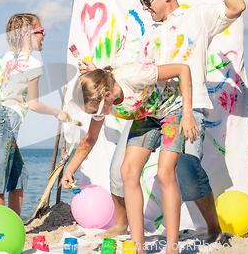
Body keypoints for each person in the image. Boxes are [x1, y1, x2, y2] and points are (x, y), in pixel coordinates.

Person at [79, 0, 246, 244]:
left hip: (186, 107)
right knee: (123, 171)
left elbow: (237, 6)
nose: (144, 7)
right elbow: (130, 73)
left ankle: (212, 227)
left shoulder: (198, 17)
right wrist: (97, 71)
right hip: (150, 110)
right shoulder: (151, 31)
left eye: (147, 0)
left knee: (186, 172)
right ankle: (129, 235)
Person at [61, 61, 199, 254]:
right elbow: (90, 138)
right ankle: (138, 248)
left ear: (107, 96)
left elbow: (183, 69)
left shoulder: (133, 76)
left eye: (95, 111)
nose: (96, 116)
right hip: (147, 116)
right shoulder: (103, 100)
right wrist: (70, 169)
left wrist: (187, 113)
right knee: (127, 171)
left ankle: (172, 248)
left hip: (173, 109)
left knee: (165, 172)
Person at [0, 13, 72, 216]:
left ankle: (13, 223)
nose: (44, 34)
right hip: (6, 120)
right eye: (41, 30)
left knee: (18, 174)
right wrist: (58, 112)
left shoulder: (0, 59)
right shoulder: (33, 64)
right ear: (27, 35)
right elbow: (33, 104)